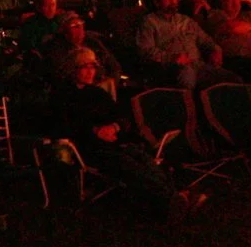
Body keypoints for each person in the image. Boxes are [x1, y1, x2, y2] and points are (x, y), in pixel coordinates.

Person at [49, 47, 189, 222]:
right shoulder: (63, 96)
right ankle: (173, 200)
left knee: (144, 160)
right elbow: (65, 125)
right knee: (130, 165)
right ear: (73, 69)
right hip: (88, 148)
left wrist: (114, 127)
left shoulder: (98, 94)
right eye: (85, 67)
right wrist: (96, 131)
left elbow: (122, 116)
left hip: (115, 142)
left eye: (93, 67)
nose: (90, 71)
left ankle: (174, 198)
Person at [136, 0, 240, 89]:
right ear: (157, 2)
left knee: (233, 79)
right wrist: (171, 58)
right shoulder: (149, 22)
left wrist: (215, 50)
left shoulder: (186, 20)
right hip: (173, 67)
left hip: (198, 65)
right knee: (187, 75)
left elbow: (205, 39)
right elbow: (145, 50)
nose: (172, 1)